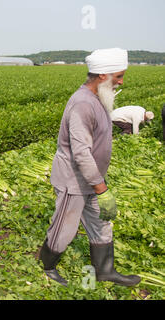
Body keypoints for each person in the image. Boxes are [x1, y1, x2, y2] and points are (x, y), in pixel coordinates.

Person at [39, 48, 141, 287]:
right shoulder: (82, 104)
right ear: (103, 76)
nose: (121, 81)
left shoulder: (98, 99)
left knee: (102, 223)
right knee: (64, 227)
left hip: (92, 182)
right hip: (73, 181)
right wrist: (102, 188)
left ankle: (105, 270)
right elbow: (81, 153)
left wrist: (98, 185)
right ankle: (47, 267)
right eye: (118, 76)